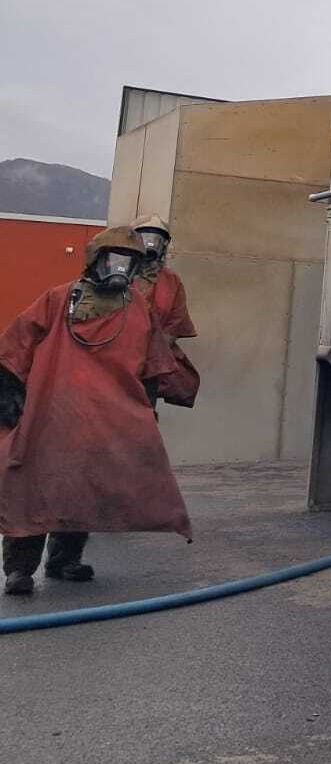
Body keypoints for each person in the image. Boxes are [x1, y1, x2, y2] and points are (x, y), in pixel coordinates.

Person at [1, 227, 191, 595]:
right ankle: (19, 569)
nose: (120, 268)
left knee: (83, 488)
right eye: (113, 259)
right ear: (95, 261)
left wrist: (144, 411)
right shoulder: (59, 299)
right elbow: (16, 343)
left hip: (102, 419)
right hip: (48, 412)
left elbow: (151, 367)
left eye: (128, 261)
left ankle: (64, 560)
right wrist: (8, 395)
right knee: (32, 488)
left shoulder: (139, 310)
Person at [131, 214, 201, 408]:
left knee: (143, 415)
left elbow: (175, 325)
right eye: (145, 236)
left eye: (157, 238)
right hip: (116, 365)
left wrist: (149, 355)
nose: (151, 244)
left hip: (149, 369)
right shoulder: (117, 276)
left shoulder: (171, 282)